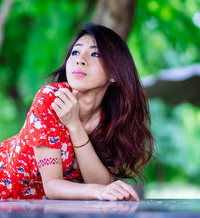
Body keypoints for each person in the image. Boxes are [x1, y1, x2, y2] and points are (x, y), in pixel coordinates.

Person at [0, 23, 154, 200]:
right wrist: (98, 191)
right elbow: (52, 186)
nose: (80, 60)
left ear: (114, 73)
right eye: (75, 52)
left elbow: (101, 184)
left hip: (28, 207)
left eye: (95, 54)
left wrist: (75, 125)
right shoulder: (51, 99)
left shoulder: (112, 119)